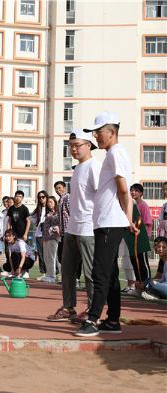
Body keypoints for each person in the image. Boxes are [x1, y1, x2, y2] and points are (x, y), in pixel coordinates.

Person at [75, 111, 136, 337]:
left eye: (98, 132)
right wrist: (127, 218)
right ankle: (112, 321)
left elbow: (123, 188)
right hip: (106, 222)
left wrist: (127, 218)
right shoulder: (113, 153)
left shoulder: (116, 152)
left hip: (110, 222)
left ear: (111, 132)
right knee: (109, 273)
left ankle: (92, 320)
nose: (95, 136)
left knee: (100, 272)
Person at [47, 129, 100, 324]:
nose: (73, 149)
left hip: (88, 228)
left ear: (89, 145)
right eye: (70, 146)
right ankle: (69, 307)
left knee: (90, 273)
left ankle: (92, 311)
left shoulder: (95, 167)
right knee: (67, 271)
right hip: (72, 228)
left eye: (77, 145)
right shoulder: (77, 169)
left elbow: (103, 197)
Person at [41, 196, 61, 284]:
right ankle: (49, 275)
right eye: (48, 202)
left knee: (52, 257)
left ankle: (52, 276)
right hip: (46, 238)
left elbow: (59, 225)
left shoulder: (58, 213)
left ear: (55, 203)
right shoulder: (48, 213)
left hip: (54, 237)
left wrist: (54, 229)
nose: (49, 204)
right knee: (46, 257)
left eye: (51, 202)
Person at [29, 191, 48, 280]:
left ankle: (54, 273)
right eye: (39, 197)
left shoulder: (50, 208)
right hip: (39, 234)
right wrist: (37, 223)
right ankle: (43, 273)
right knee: (41, 254)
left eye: (43, 197)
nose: (41, 199)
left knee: (50, 255)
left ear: (46, 197)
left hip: (49, 235)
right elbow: (30, 218)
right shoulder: (37, 209)